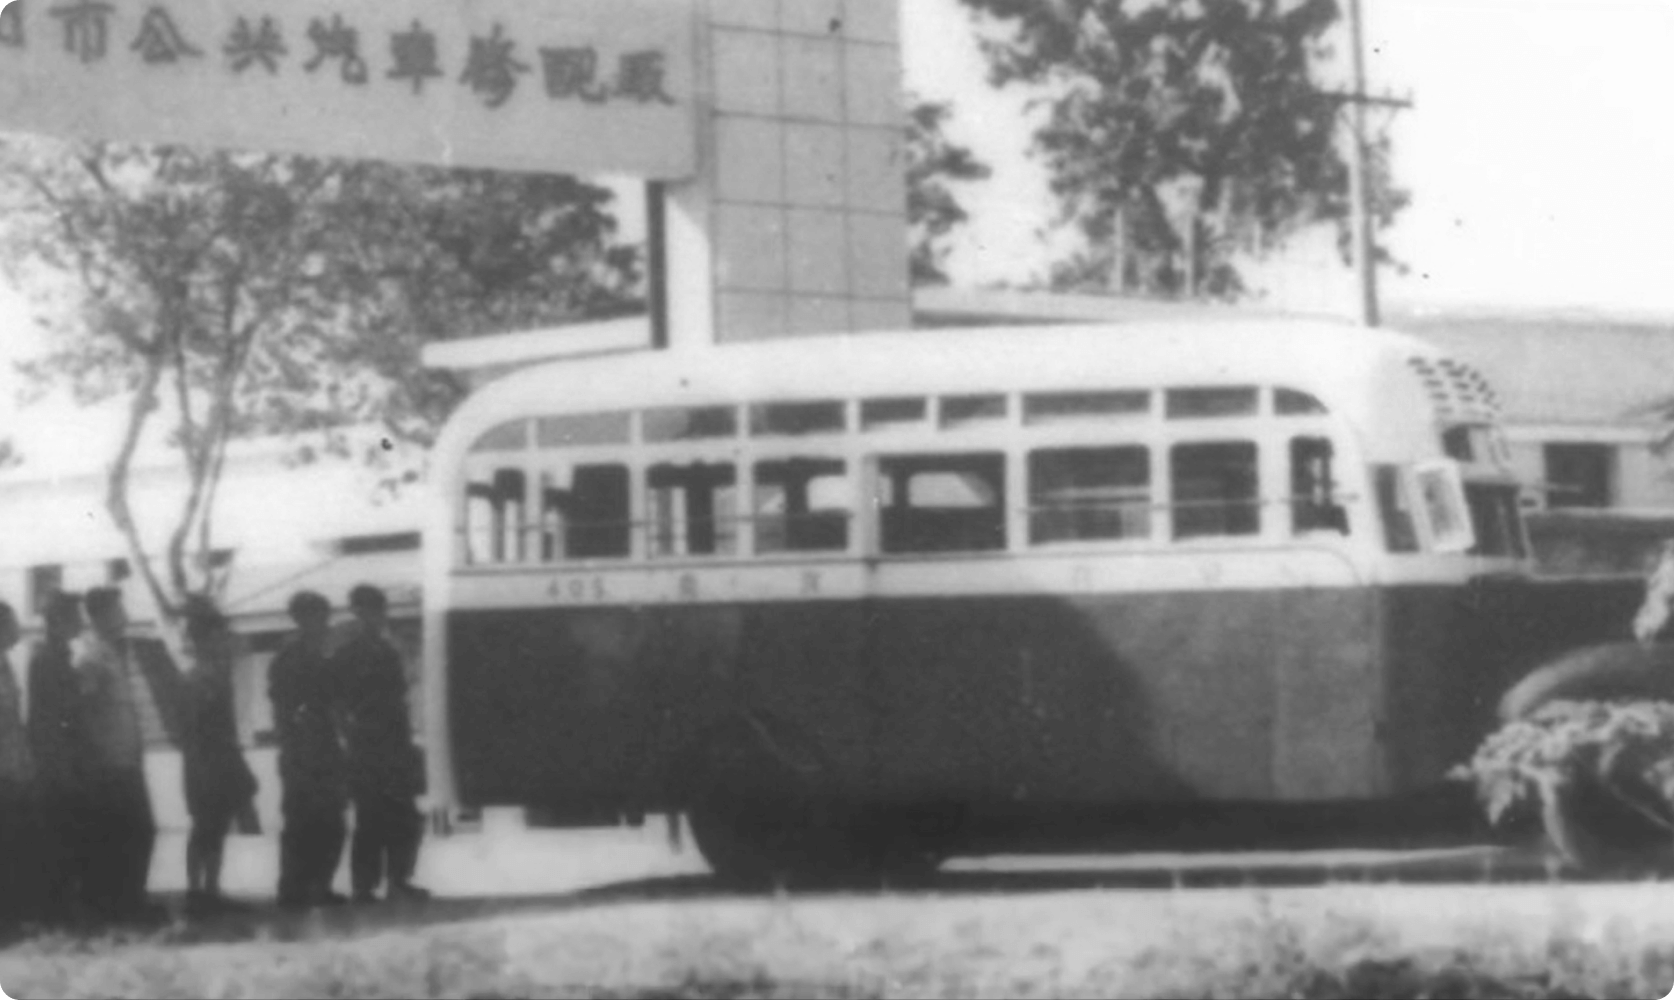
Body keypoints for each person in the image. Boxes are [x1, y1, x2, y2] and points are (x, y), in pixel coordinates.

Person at [75, 587, 176, 925]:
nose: (124, 617)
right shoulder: (90, 656)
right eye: (117, 611)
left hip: (129, 757)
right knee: (126, 833)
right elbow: (83, 711)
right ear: (99, 616)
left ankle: (132, 899)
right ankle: (121, 905)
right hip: (108, 762)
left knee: (139, 832)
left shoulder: (119, 653)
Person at [334, 584, 428, 903]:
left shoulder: (388, 651)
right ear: (357, 613)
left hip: (395, 744)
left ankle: (399, 880)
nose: (375, 617)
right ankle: (364, 886)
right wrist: (350, 738)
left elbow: (399, 697)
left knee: (405, 816)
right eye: (368, 610)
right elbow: (339, 704)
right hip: (367, 746)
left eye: (378, 610)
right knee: (370, 819)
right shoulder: (346, 655)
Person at [177, 597, 257, 917]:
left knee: (217, 826)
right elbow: (194, 730)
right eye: (218, 635)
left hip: (220, 759)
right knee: (205, 827)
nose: (224, 641)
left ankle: (211, 890)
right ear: (204, 639)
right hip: (203, 763)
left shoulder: (216, 674)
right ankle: (197, 893)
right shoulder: (196, 677)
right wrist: (207, 767)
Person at [270, 590, 349, 909]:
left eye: (323, 616)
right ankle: (294, 888)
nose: (321, 623)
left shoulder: (320, 657)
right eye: (314, 616)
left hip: (325, 746)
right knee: (303, 821)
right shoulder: (290, 658)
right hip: (301, 749)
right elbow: (285, 707)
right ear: (300, 619)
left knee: (331, 820)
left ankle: (320, 885)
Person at [28, 592, 88, 925]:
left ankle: (66, 906)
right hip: (56, 761)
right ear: (60, 621)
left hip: (67, 757)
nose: (81, 622)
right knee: (60, 835)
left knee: (71, 833)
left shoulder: (60, 655)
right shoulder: (47, 659)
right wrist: (60, 765)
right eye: (74, 616)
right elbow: (50, 717)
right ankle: (58, 910)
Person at [0, 600, 43, 937]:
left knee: (15, 844)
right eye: (11, 623)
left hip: (14, 769)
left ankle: (13, 913)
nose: (17, 630)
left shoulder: (7, 665)